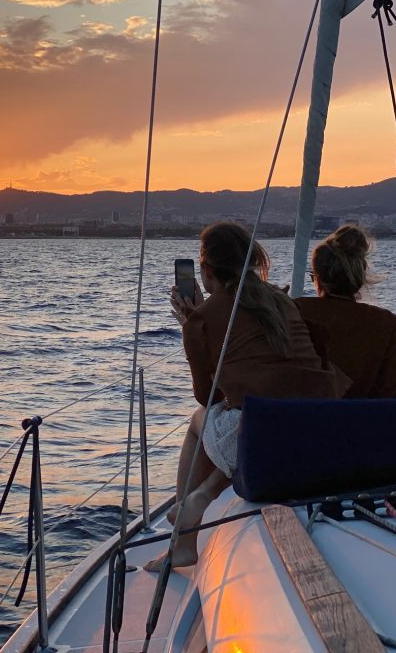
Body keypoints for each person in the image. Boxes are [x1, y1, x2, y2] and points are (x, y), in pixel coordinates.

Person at [146, 222, 347, 571]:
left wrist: (189, 326)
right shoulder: (281, 300)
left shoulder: (205, 316)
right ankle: (203, 495)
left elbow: (206, 397)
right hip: (320, 423)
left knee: (200, 422)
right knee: (253, 415)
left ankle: (183, 541)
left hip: (263, 432)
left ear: (206, 269)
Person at [295, 225, 396, 399]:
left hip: (302, 421)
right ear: (360, 278)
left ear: (317, 279)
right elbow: (389, 393)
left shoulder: (293, 311)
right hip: (364, 423)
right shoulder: (385, 323)